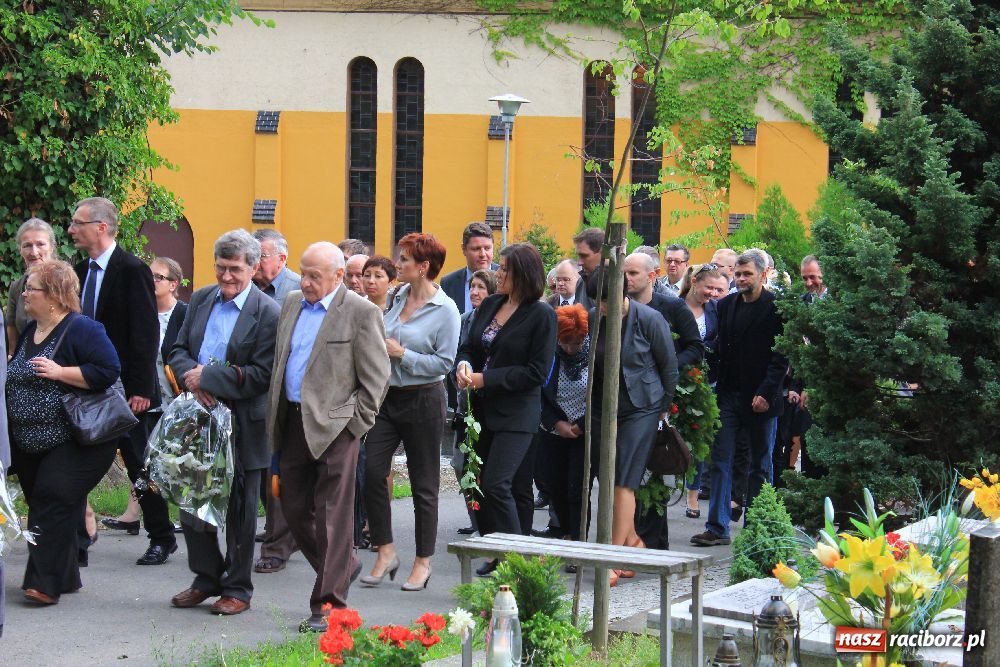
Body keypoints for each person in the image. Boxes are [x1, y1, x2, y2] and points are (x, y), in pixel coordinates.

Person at [266, 242, 390, 632]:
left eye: (314, 276)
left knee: (333, 516)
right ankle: (342, 566)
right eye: (303, 273)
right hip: (292, 421)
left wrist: (355, 426)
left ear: (338, 277)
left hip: (337, 428)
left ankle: (330, 605)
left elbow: (376, 377)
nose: (304, 282)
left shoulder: (361, 312)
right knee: (292, 507)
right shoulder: (291, 304)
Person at [168, 230, 280, 615]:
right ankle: (205, 578)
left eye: (235, 269)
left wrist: (210, 379)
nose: (226, 276)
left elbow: (264, 373)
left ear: (253, 267)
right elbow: (177, 349)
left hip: (243, 424)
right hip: (198, 419)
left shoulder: (268, 313)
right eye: (221, 268)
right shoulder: (201, 299)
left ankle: (237, 589)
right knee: (191, 503)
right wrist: (192, 378)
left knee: (239, 511)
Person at [6, 260, 121, 604]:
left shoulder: (82, 329)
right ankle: (66, 574)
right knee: (47, 503)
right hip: (30, 441)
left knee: (51, 498)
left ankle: (44, 583)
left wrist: (60, 372)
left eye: (32, 288)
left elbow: (108, 370)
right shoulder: (31, 330)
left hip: (76, 439)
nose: (25, 294)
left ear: (55, 296)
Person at [70, 197, 174, 567]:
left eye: (78, 223)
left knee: (139, 465)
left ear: (101, 227)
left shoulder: (131, 270)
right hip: (86, 385)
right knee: (76, 464)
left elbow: (145, 332)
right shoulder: (78, 271)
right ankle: (77, 543)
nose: (71, 230)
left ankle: (162, 536)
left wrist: (142, 388)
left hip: (127, 391)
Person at [362, 233, 459, 591]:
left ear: (423, 266)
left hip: (424, 400)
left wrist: (403, 354)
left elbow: (444, 363)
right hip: (387, 397)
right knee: (372, 470)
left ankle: (422, 561)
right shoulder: (397, 297)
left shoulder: (446, 310)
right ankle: (386, 550)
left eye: (404, 259)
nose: (397, 263)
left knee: (424, 484)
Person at [456, 243, 555, 575]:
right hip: (482, 411)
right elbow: (470, 346)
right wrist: (464, 365)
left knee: (498, 484)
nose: (497, 274)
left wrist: (485, 379)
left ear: (523, 274)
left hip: (517, 413)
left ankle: (518, 562)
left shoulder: (541, 315)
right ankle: (496, 549)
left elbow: (536, 372)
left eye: (504, 269)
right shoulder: (492, 304)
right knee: (477, 484)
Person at [691, 251, 788, 547]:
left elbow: (781, 357)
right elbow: (719, 346)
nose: (742, 279)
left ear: (763, 274)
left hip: (762, 398)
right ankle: (717, 526)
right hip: (729, 395)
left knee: (760, 463)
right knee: (721, 459)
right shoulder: (726, 305)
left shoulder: (777, 308)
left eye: (748, 274)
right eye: (739, 274)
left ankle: (757, 525)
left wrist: (766, 392)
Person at [586, 271, 678, 584]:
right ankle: (634, 542)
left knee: (623, 480)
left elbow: (669, 366)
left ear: (621, 293)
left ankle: (612, 559)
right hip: (604, 408)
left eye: (605, 301)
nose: (601, 307)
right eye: (597, 301)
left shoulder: (650, 319)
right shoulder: (594, 318)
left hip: (643, 407)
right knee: (609, 477)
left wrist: (662, 407)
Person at [102, 257, 188, 535]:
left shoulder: (183, 314)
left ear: (173, 284)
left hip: (175, 400)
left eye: (158, 277)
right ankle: (132, 514)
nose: (151, 281)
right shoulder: (138, 311)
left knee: (177, 460)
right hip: (145, 399)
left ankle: (186, 515)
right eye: (149, 275)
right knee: (140, 459)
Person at [250, 229, 301, 572]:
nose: (255, 263)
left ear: (282, 258)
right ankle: (278, 528)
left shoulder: (297, 289)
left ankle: (279, 543)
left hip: (286, 392)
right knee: (259, 466)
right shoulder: (249, 288)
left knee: (278, 468)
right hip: (254, 388)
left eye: (261, 256)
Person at [679, 263, 729, 517]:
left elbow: (720, 343)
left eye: (717, 289)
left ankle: (693, 494)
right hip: (677, 379)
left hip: (706, 382)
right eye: (708, 287)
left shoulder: (715, 310)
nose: (712, 293)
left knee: (699, 439)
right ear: (694, 282)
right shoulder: (675, 306)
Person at [538, 304, 590, 541]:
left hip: (583, 432)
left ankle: (579, 539)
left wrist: (582, 425)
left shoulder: (595, 357)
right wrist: (556, 423)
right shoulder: (548, 354)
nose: (569, 349)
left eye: (575, 343)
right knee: (555, 485)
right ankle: (566, 533)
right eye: (564, 343)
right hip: (552, 431)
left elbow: (602, 398)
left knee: (577, 488)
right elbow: (538, 393)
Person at [451, 269, 496, 536]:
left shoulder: (497, 321)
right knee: (461, 464)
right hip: (463, 402)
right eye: (472, 286)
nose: (474, 292)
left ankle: (488, 525)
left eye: (481, 287)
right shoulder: (465, 320)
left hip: (486, 401)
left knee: (486, 468)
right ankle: (476, 519)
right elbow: (458, 352)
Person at [5, 218, 57, 351]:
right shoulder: (16, 288)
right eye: (27, 245)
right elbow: (12, 342)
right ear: (20, 250)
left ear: (52, 247)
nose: (34, 252)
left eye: (40, 244)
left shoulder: (67, 284)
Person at [439, 222, 497, 314]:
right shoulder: (448, 283)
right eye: (476, 249)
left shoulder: (505, 278)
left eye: (487, 248)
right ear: (464, 249)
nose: (483, 254)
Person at [252, 229, 302, 305]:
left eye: (261, 256)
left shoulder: (300, 289)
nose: (253, 261)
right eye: (250, 255)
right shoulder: (243, 284)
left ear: (281, 259)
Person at [572, 227, 604, 309]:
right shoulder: (581, 283)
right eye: (578, 256)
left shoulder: (620, 284)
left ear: (602, 252)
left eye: (584, 256)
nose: (579, 262)